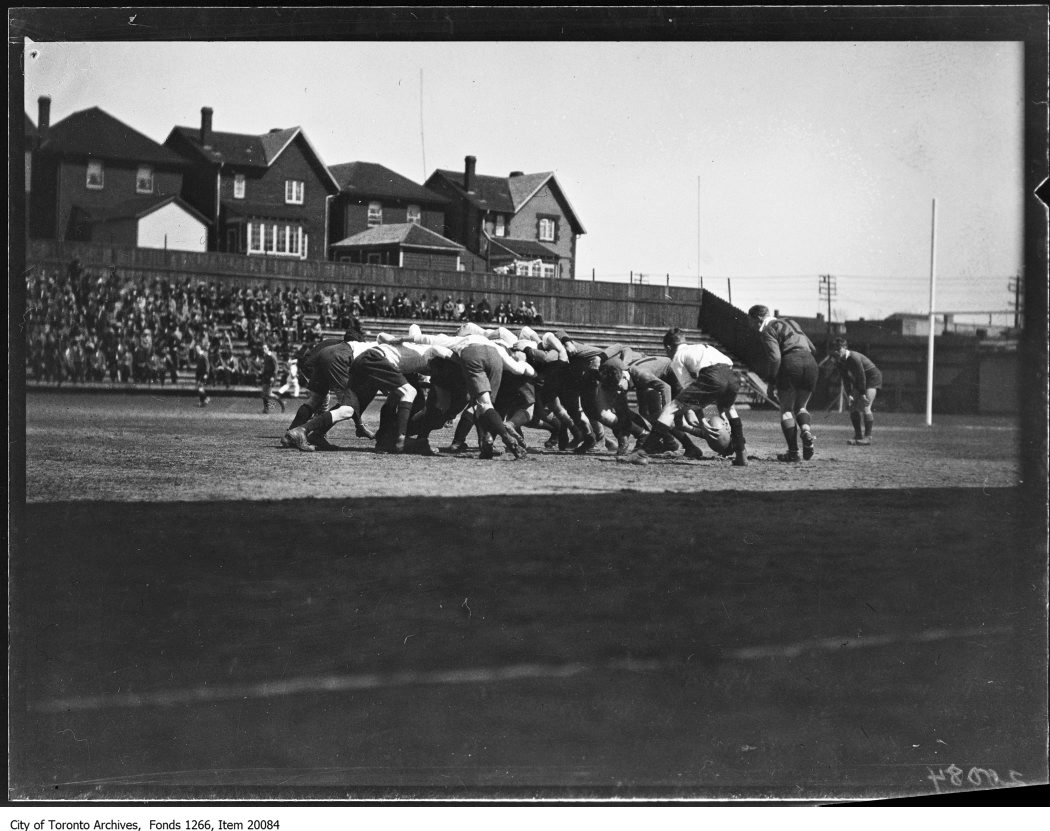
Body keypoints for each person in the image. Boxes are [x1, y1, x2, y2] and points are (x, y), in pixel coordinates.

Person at [627, 328, 748, 467]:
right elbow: (726, 366)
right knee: (730, 410)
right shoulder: (703, 347)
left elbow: (690, 389)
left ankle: (641, 453)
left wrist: (702, 420)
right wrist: (719, 411)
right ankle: (741, 454)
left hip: (712, 376)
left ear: (669, 347)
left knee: (670, 409)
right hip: (731, 376)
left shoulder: (678, 356)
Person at [747, 305, 820, 462]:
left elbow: (775, 358)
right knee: (801, 407)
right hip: (810, 363)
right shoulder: (792, 322)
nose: (751, 325)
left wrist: (771, 381)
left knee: (786, 410)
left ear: (758, 318)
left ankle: (793, 453)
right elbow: (813, 348)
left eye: (751, 321)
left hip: (790, 363)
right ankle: (806, 431)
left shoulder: (767, 329)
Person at [829, 337, 883, 445]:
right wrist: (849, 394)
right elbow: (845, 378)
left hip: (872, 377)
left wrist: (862, 394)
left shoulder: (853, 357)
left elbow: (862, 375)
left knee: (865, 406)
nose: (836, 351)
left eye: (838, 349)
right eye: (834, 349)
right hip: (860, 380)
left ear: (845, 348)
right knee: (853, 407)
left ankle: (867, 437)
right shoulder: (839, 361)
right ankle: (858, 435)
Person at [259, 342, 285, 414]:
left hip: (270, 377)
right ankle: (266, 409)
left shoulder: (272, 356)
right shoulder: (266, 356)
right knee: (264, 394)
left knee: (269, 394)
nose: (263, 350)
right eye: (263, 348)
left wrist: (273, 377)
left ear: (268, 349)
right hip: (266, 376)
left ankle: (281, 404)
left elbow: (276, 367)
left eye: (265, 348)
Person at [193, 343, 210, 407]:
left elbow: (207, 365)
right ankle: (204, 400)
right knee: (200, 388)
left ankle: (203, 400)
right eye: (195, 349)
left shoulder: (203, 355)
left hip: (203, 374)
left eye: (197, 349)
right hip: (199, 374)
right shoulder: (198, 355)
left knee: (200, 388)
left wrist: (206, 373)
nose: (196, 350)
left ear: (199, 349)